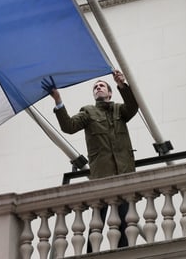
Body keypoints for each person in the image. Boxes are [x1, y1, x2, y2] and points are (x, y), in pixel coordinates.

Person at [41, 69, 139, 249]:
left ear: (109, 92)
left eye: (102, 86)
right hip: (101, 177)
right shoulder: (88, 111)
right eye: (95, 87)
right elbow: (69, 126)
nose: (98, 88)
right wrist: (58, 100)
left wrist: (121, 85)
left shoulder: (120, 109)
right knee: (97, 224)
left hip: (124, 174)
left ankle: (125, 253)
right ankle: (91, 254)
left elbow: (133, 107)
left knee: (126, 221)